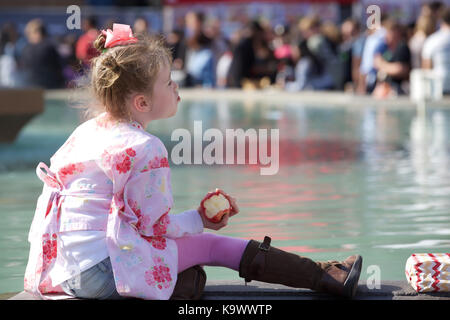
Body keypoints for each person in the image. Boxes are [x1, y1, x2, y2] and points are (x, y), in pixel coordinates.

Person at [24, 23, 363, 300]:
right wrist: (200, 218)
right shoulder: (144, 146)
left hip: (68, 272)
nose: (176, 88)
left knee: (188, 264)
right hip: (102, 273)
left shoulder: (86, 132)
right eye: (168, 83)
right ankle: (324, 275)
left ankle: (323, 273)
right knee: (209, 246)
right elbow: (154, 228)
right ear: (141, 102)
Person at [20, 19, 64, 89]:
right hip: (49, 88)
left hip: (34, 90)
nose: (28, 37)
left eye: (29, 33)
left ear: (37, 33)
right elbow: (59, 67)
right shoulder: (50, 47)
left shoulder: (26, 49)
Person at [373, 19, 411, 96]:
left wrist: (382, 65)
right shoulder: (386, 48)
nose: (385, 35)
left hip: (397, 90)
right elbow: (375, 62)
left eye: (388, 32)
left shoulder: (402, 47)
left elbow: (401, 69)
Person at [422, 6, 450, 94]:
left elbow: (426, 68)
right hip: (440, 89)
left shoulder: (432, 40)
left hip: (439, 88)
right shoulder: (432, 40)